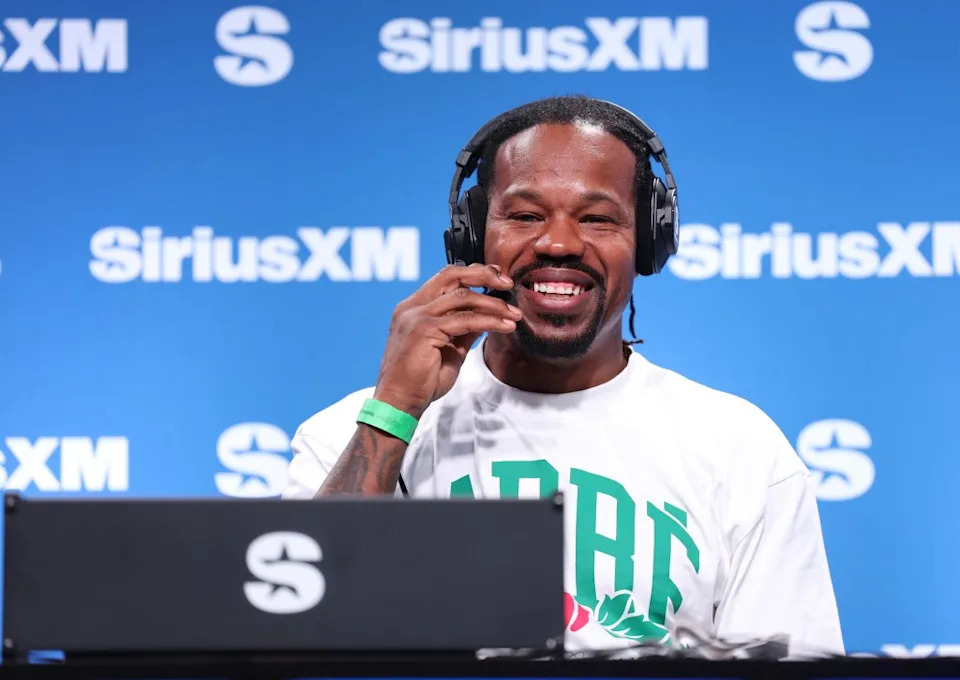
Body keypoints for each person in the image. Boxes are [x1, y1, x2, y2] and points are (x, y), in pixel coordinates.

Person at [282, 95, 844, 657]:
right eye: (525, 216)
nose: (559, 243)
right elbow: (299, 639)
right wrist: (394, 412)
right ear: (473, 234)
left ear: (647, 240)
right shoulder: (348, 435)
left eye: (597, 218)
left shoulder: (739, 449)